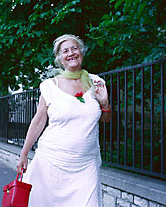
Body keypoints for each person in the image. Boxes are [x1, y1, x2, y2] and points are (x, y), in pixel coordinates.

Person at [17, 34, 112, 207]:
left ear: (81, 52)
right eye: (65, 51)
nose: (71, 53)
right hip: (51, 162)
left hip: (86, 165)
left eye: (74, 48)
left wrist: (105, 103)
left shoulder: (96, 82)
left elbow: (105, 119)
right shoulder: (50, 86)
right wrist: (24, 154)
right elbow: (39, 121)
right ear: (60, 59)